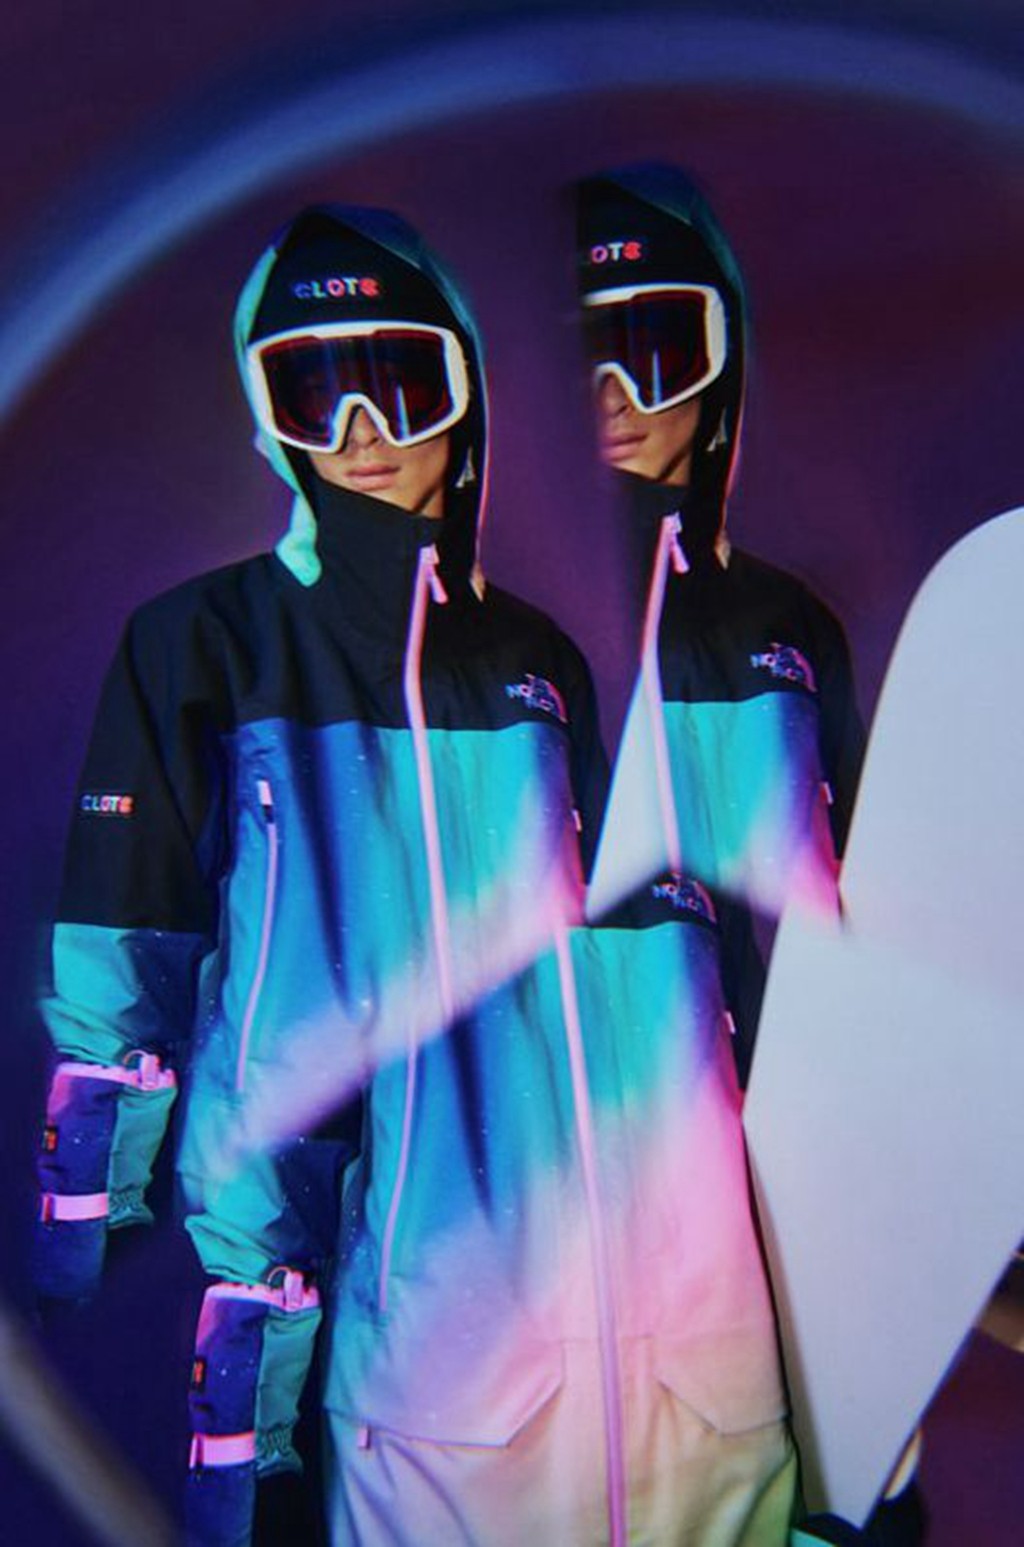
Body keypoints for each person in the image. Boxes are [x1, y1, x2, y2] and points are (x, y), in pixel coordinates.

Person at [32, 204, 602, 1546]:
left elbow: (589, 942)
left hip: (509, 1218)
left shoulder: (538, 661)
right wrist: (87, 1196)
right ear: (269, 415)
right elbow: (130, 895)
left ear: (462, 392)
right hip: (282, 1218)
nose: (358, 431)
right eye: (312, 389)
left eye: (396, 381)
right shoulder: (204, 638)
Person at [576, 164, 865, 1083]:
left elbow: (864, 890)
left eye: (655, 349)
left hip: (791, 1104)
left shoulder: (793, 621)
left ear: (722, 360)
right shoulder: (503, 632)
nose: (614, 395)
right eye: (583, 357)